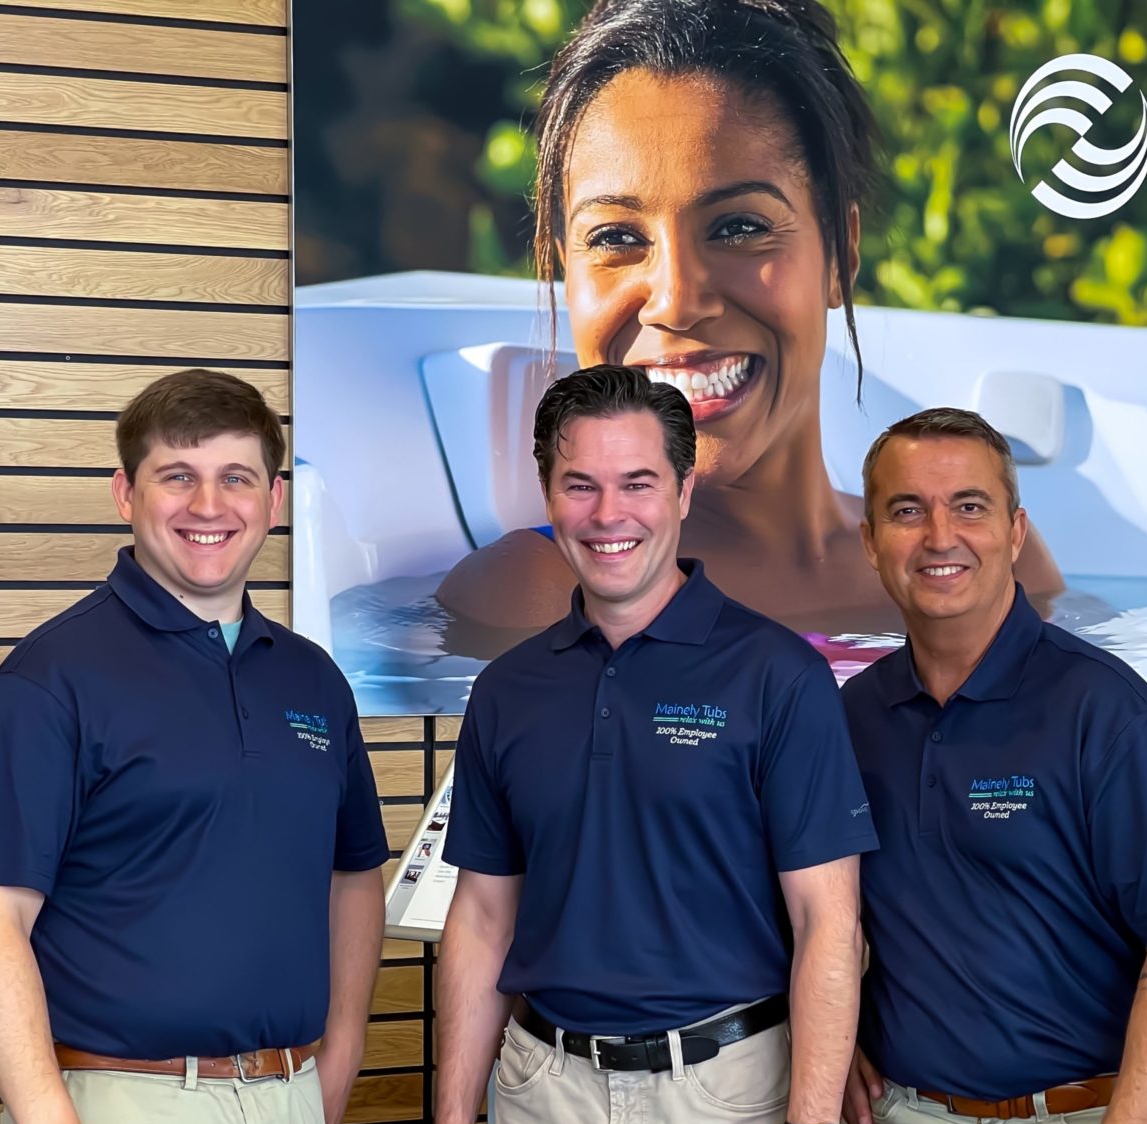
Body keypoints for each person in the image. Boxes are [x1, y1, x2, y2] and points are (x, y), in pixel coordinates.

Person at [417, 364, 877, 1124]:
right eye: (579, 484)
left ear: (682, 491)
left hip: (729, 1100)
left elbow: (830, 922)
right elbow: (480, 920)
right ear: (548, 490)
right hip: (545, 1099)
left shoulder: (775, 675)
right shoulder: (509, 690)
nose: (606, 514)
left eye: (637, 483)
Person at [0, 370, 390, 1124]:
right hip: (121, 1117)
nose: (208, 504)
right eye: (176, 476)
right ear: (125, 494)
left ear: (275, 497)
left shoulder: (311, 682)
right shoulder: (51, 682)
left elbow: (353, 879)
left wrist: (334, 1066)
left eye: (235, 476)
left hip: (287, 1105)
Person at [436, 0, 1062, 649]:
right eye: (617, 237)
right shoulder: (541, 597)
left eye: (739, 228)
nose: (675, 302)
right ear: (569, 272)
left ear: (841, 251)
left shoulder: (984, 566)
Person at [840, 407, 1147, 1124]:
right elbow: (832, 915)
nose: (941, 535)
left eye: (969, 507)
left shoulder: (1110, 718)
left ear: (1016, 531)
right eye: (908, 510)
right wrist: (843, 1036)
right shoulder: (850, 721)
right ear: (869, 540)